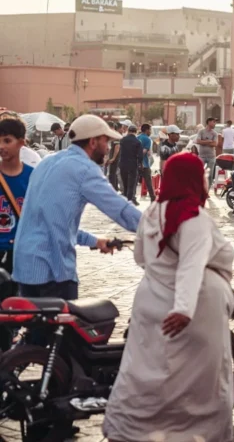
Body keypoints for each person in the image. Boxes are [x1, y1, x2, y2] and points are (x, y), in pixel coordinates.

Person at [102, 153, 234, 442]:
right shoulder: (194, 218)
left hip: (149, 301)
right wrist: (184, 309)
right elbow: (191, 266)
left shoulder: (152, 212)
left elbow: (140, 257)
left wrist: (160, 276)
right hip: (192, 310)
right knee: (196, 381)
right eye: (201, 174)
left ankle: (135, 430)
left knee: (145, 370)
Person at [12, 115, 141, 300]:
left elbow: (53, 220)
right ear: (93, 141)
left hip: (26, 267)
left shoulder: (47, 162)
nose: (108, 148)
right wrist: (161, 229)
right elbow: (121, 210)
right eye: (106, 141)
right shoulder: (85, 169)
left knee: (38, 327)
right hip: (52, 270)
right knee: (65, 327)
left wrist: (95, 241)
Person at [0, 118, 34, 350]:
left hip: (19, 252)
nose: (2, 146)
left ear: (21, 143)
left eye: (7, 140)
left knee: (11, 305)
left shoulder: (33, 177)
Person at [119, 125, 143, 205]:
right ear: (136, 132)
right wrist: (140, 164)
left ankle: (125, 200)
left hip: (123, 164)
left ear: (128, 131)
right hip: (133, 165)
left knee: (125, 184)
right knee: (131, 185)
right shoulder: (138, 142)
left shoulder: (122, 140)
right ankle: (129, 202)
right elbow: (140, 156)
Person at [195, 117, 219, 187]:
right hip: (201, 156)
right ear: (209, 122)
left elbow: (215, 144)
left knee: (210, 175)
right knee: (199, 173)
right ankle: (199, 188)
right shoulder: (201, 132)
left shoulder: (214, 133)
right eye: (214, 122)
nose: (215, 124)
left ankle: (207, 190)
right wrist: (209, 141)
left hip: (211, 157)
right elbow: (198, 141)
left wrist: (203, 142)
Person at [137, 123, 156, 201]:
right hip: (144, 164)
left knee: (134, 182)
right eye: (150, 130)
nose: (150, 132)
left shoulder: (137, 137)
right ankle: (153, 198)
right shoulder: (147, 139)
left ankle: (131, 198)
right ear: (147, 130)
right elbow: (145, 151)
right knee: (148, 183)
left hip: (136, 163)